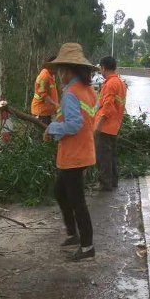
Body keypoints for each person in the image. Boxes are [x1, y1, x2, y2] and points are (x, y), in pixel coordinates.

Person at [44, 43, 98, 261]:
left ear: (68, 70)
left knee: (77, 202)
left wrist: (52, 128)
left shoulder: (71, 94)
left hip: (74, 155)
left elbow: (74, 124)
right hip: (82, 152)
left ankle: (87, 247)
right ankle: (73, 234)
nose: (58, 75)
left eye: (59, 71)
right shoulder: (88, 91)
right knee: (60, 192)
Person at [94, 56, 127, 191]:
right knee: (111, 155)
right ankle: (113, 181)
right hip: (114, 125)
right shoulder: (119, 82)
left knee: (103, 157)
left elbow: (107, 106)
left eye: (100, 68)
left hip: (106, 126)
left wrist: (98, 126)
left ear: (103, 68)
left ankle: (105, 184)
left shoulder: (110, 84)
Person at [31, 56, 59, 126]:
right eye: (57, 67)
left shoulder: (51, 75)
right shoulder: (44, 76)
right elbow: (44, 95)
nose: (58, 70)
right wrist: (55, 104)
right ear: (51, 66)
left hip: (47, 111)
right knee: (43, 133)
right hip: (41, 112)